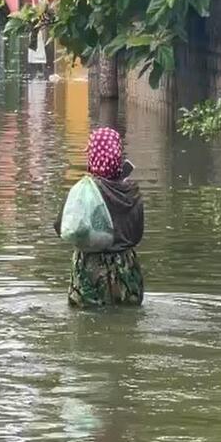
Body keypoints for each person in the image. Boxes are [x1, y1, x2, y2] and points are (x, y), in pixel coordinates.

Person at [54, 127, 144, 307]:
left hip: (91, 272)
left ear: (92, 157)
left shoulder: (84, 191)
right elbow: (137, 234)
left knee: (87, 326)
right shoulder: (132, 192)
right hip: (127, 271)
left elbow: (62, 227)